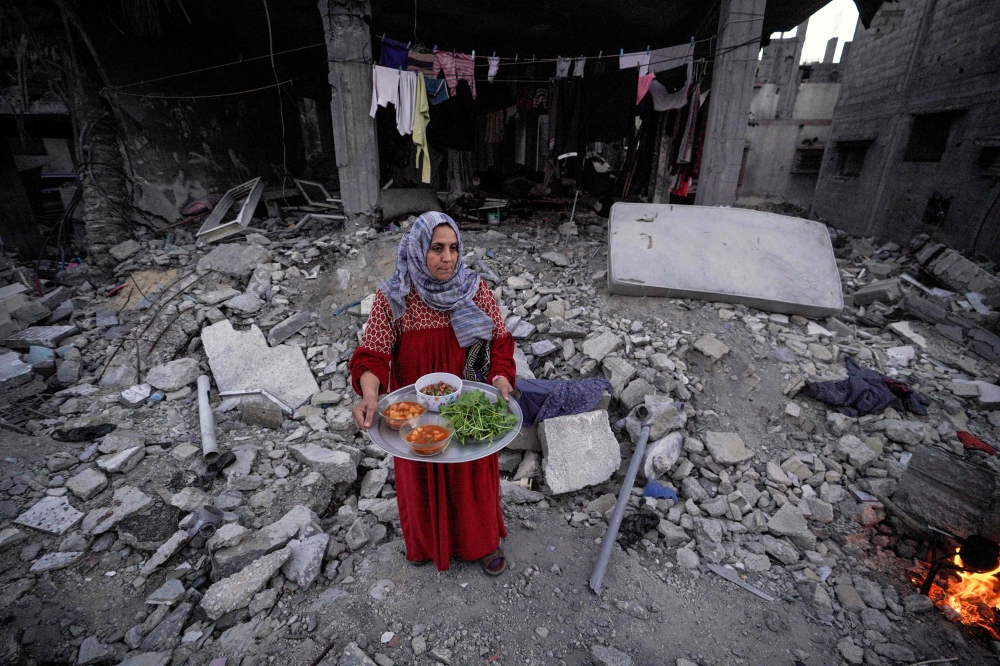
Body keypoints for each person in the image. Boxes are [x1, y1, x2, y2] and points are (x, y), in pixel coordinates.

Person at [349, 211, 515, 575]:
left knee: (470, 474)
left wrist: (501, 376)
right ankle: (426, 544)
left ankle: (481, 543)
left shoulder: (474, 289)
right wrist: (370, 395)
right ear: (417, 249)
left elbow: (500, 340)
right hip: (416, 413)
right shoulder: (394, 297)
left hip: (467, 405)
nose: (448, 258)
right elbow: (373, 355)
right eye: (437, 248)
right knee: (421, 476)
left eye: (454, 248)